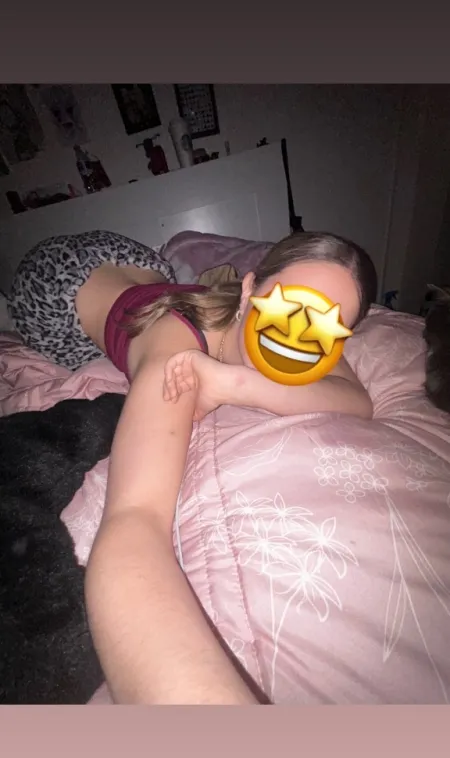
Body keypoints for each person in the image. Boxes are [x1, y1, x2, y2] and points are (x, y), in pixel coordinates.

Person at [7, 229, 378, 705]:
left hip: (144, 276)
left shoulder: (305, 336)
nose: (301, 332)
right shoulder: (176, 350)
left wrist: (234, 385)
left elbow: (357, 400)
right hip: (54, 285)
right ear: (250, 289)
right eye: (290, 303)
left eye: (328, 325)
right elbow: (133, 521)